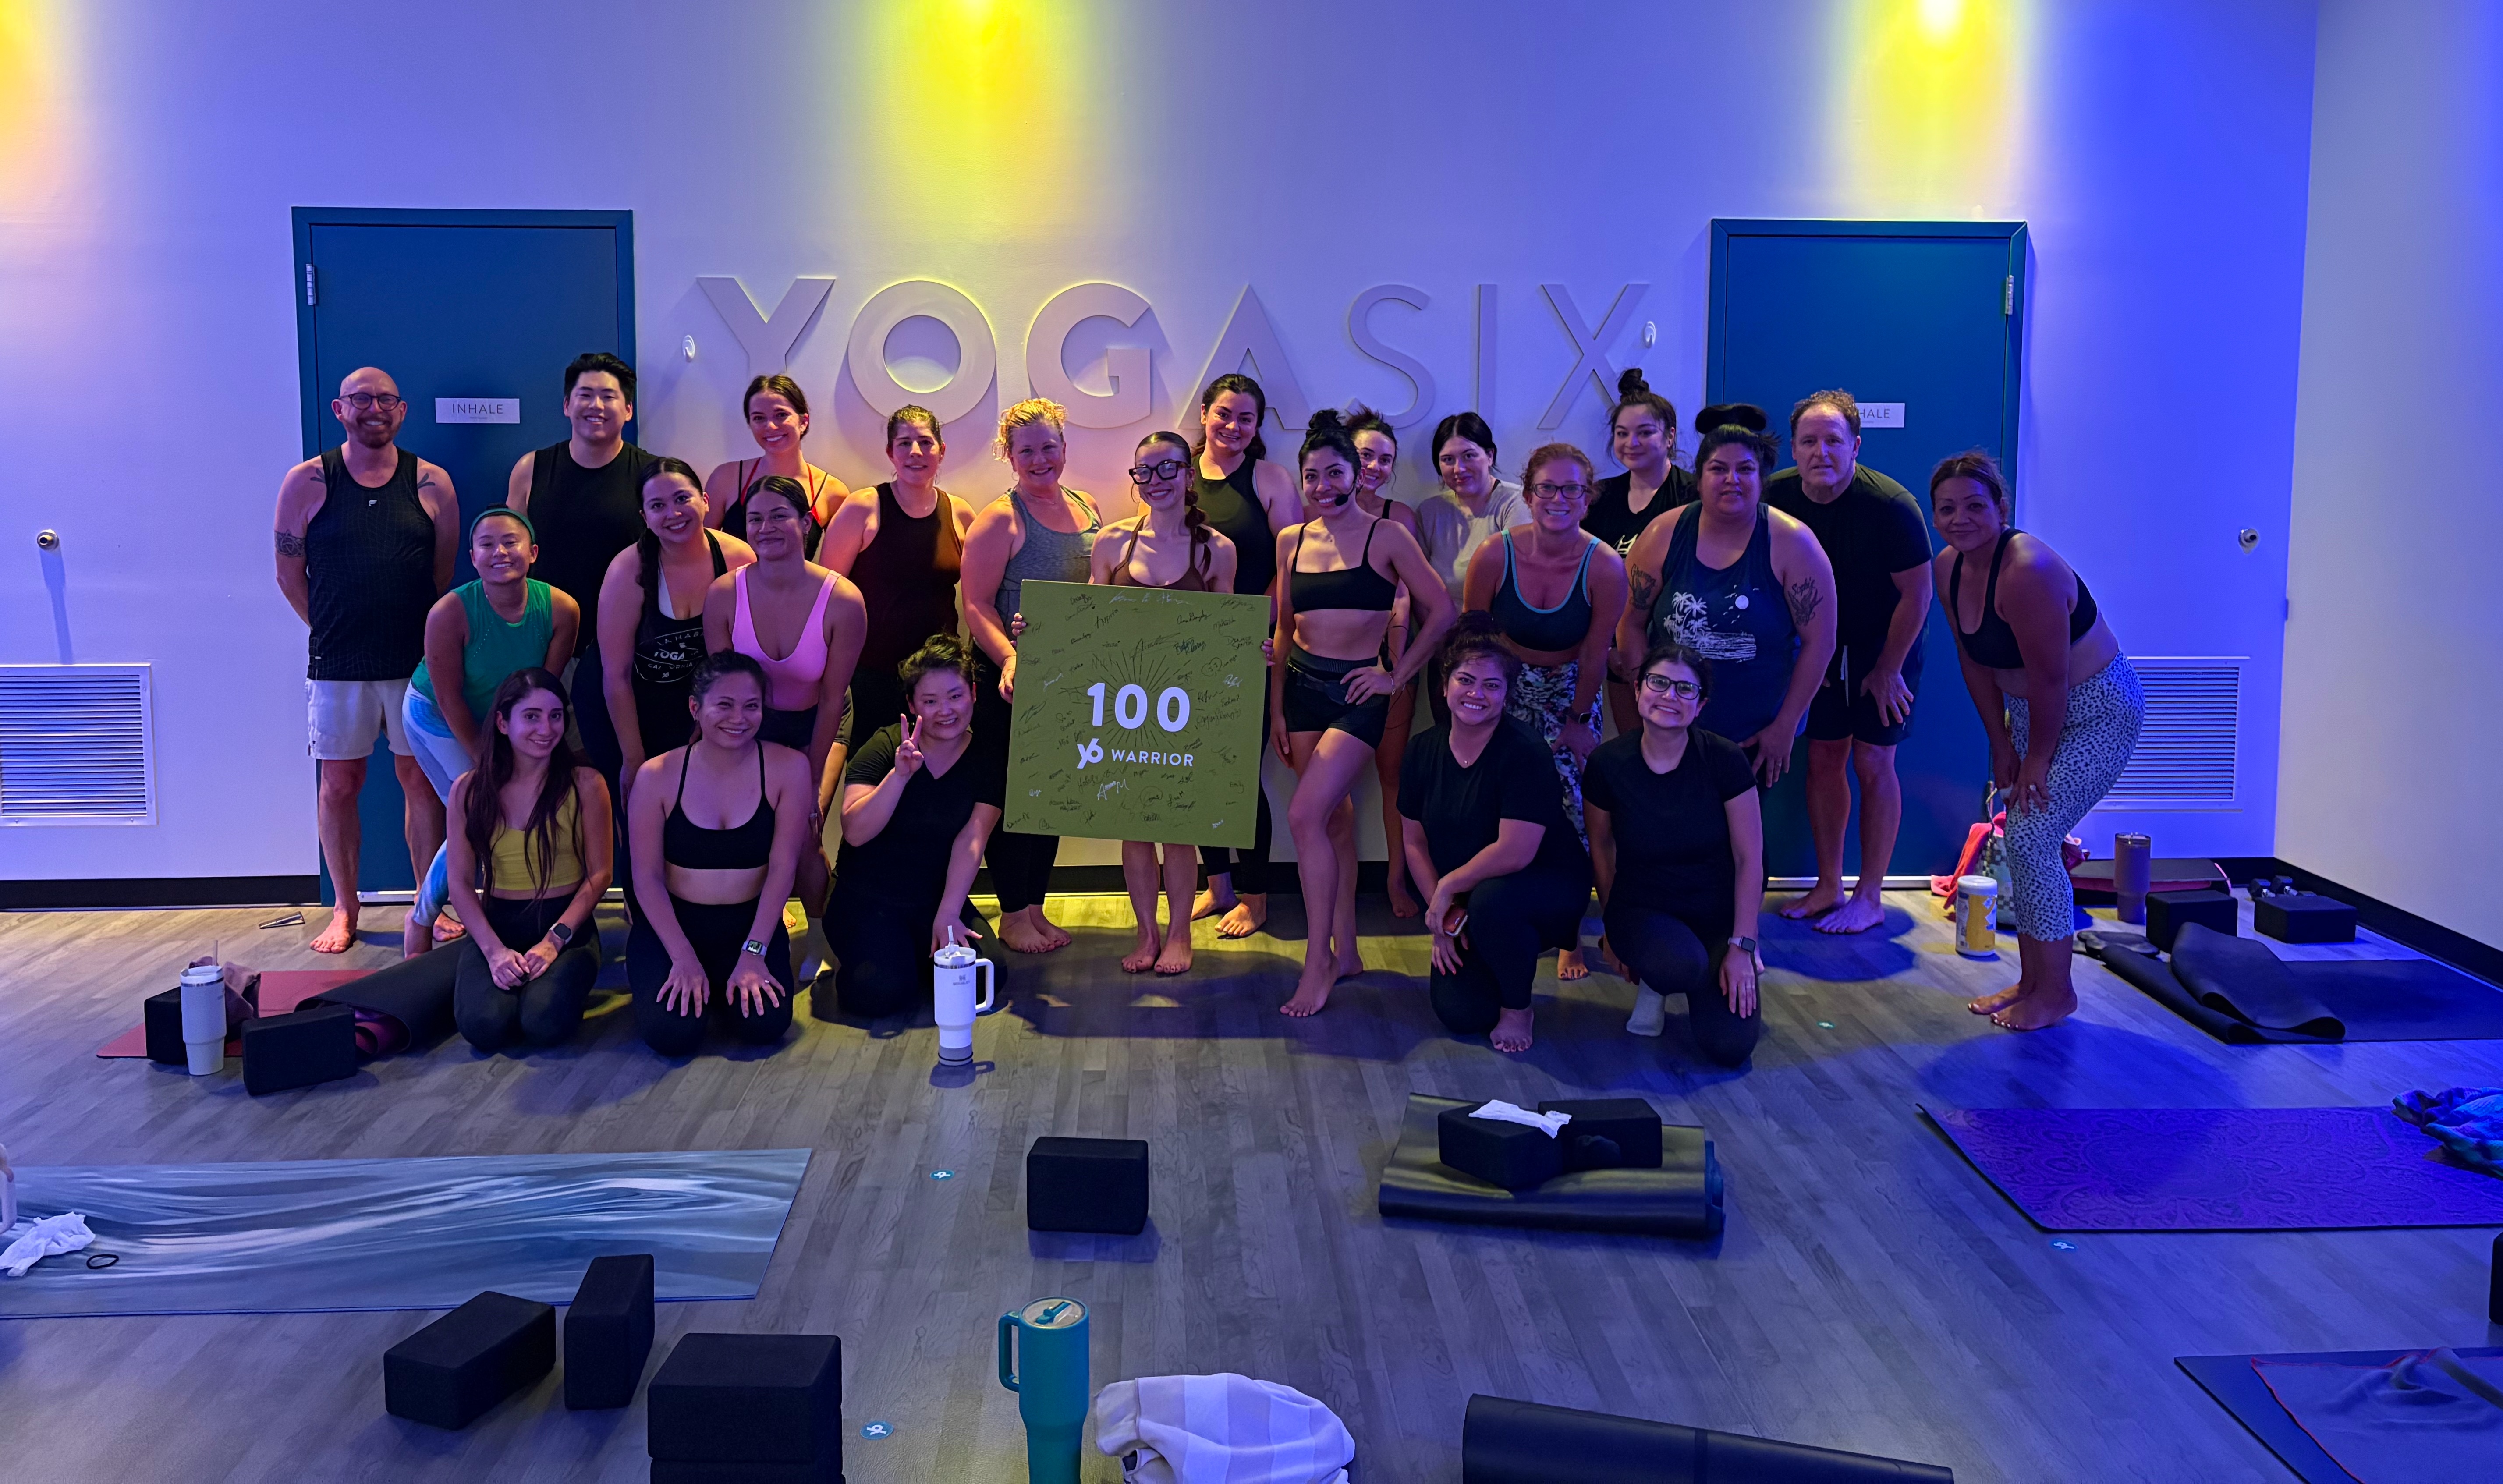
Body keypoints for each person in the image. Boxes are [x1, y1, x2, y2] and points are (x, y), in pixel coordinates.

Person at [1931, 453, 2141, 1031]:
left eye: (1975, 506)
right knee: (2024, 840)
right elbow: (1974, 661)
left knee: (2031, 837)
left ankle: (2056, 992)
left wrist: (2038, 761)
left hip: (2098, 711)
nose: (1960, 519)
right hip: (2030, 711)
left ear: (2002, 507)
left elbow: (2052, 678)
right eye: (1946, 509)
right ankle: (2032, 982)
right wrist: (2000, 744)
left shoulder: (2029, 569)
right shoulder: (1947, 568)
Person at [1272, 410, 1455, 1016]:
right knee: (1333, 821)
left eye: (1335, 473)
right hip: (1302, 689)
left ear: (1357, 475)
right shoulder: (1291, 540)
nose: (1323, 485)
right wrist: (1277, 709)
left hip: (1358, 696)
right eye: (1312, 476)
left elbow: (1442, 611)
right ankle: (1347, 949)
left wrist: (1394, 677)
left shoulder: (1388, 536)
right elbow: (1284, 629)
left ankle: (1318, 960)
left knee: (1304, 816)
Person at [273, 366, 460, 953]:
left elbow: (441, 572)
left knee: (420, 780)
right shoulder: (306, 481)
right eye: (361, 399)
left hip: (414, 661)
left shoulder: (432, 482)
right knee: (339, 783)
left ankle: (428, 903)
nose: (373, 409)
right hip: (338, 663)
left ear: (402, 411)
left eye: (385, 400)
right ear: (339, 409)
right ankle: (345, 907)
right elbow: (288, 574)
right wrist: (335, 629)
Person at [1766, 390, 1935, 935]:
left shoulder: (1892, 505)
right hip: (1814, 648)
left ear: (1855, 446)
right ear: (1794, 448)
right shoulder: (1773, 496)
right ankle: (1828, 886)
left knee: (1873, 761)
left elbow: (1918, 596)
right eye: (1809, 441)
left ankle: (1870, 896)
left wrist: (1888, 669)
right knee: (1823, 758)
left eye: (1834, 441)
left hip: (1884, 648)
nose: (1822, 452)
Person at [1462, 442, 1628, 981]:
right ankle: (1489, 917)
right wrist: (1479, 713)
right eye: (1547, 488)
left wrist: (1578, 723)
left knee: (1576, 814)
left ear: (1588, 497)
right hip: (1502, 690)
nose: (1559, 499)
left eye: (1572, 489)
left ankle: (1571, 934)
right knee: (1497, 807)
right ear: (1529, 495)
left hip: (1571, 693)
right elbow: (1474, 641)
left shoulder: (1605, 565)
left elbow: (1596, 652)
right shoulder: (1495, 554)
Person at [1397, 616, 1592, 1054]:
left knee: (1494, 903)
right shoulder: (1422, 750)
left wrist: (1449, 886)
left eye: (1491, 686)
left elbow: (1516, 852)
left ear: (1507, 694)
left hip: (1545, 882)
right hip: (1472, 892)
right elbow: (1414, 842)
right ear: (1445, 685)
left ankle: (1518, 1008)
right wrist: (1443, 918)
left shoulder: (1525, 750)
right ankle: (1496, 955)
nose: (1476, 694)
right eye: (1466, 681)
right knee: (1460, 1014)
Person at [1614, 413, 1837, 787]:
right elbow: (1630, 623)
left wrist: (1785, 725)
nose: (1732, 479)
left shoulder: (1795, 544)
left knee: (1742, 825)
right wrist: (1647, 703)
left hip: (1756, 738)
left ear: (1761, 479)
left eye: (1745, 469)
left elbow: (1821, 642)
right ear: (1700, 479)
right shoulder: (1661, 534)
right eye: (1718, 469)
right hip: (1670, 730)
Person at [1091, 430, 1238, 974]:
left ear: (1188, 473)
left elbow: (1226, 637)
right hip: (1124, 705)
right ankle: (1146, 933)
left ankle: (1180, 934)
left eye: (1167, 468)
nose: (1155, 481)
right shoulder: (1112, 542)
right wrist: (1037, 631)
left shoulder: (1217, 549)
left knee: (1178, 827)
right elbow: (1090, 626)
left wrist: (1255, 651)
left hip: (1187, 708)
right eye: (1144, 471)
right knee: (1134, 826)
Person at [401, 507, 580, 953]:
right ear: (473, 558)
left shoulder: (562, 609)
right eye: (487, 545)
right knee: (478, 806)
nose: (500, 552)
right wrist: (487, 763)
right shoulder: (449, 613)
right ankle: (421, 917)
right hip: (437, 716)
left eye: (510, 542)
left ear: (532, 552)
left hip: (506, 720)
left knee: (507, 799)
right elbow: (449, 699)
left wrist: (518, 748)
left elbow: (541, 695)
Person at [960, 398, 1102, 955]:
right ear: (1009, 456)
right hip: (1010, 682)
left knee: (1050, 797)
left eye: (1049, 447)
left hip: (1068, 680)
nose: (1040, 460)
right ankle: (1013, 914)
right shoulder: (1001, 518)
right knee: (1008, 800)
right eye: (1027, 451)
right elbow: (976, 606)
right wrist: (1010, 659)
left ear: (1064, 448)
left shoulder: (1088, 507)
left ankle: (1036, 908)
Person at [586, 459, 754, 917]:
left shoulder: (737, 558)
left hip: (697, 704)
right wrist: (633, 757)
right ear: (645, 517)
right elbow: (615, 673)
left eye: (683, 499)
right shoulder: (628, 570)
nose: (674, 513)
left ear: (705, 500)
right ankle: (643, 912)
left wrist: (714, 721)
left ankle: (703, 905)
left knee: (698, 802)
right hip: (624, 702)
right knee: (638, 803)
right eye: (658, 506)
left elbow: (739, 656)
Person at [624, 652, 813, 1055]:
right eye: (724, 705)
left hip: (748, 924)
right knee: (673, 1034)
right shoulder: (656, 775)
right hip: (674, 925)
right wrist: (682, 956)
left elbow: (783, 868)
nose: (739, 718)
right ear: (696, 708)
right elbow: (646, 878)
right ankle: (696, 982)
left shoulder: (790, 768)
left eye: (751, 706)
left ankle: (722, 986)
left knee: (765, 1025)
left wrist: (755, 952)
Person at [1584, 644, 1765, 1065]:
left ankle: (1712, 967)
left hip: (1714, 912)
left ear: (1701, 705)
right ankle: (1657, 983)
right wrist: (1612, 927)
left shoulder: (1724, 759)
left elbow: (1750, 858)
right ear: (1637, 689)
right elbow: (1602, 849)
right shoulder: (1607, 763)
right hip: (1643, 909)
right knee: (1680, 964)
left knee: (1730, 1047)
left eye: (1685, 689)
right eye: (1659, 682)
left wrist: (1742, 946)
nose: (1670, 696)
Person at [703, 475, 865, 920]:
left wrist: (811, 781)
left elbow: (832, 698)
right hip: (751, 727)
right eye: (755, 519)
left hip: (819, 721)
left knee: (803, 832)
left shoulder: (843, 600)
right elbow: (723, 691)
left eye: (779, 516)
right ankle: (764, 921)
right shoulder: (724, 594)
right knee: (753, 830)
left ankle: (822, 934)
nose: (766, 528)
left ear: (806, 523)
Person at [826, 637, 1005, 1017]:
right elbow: (855, 831)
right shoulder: (884, 745)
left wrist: (949, 912)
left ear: (974, 694)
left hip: (934, 899)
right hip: (868, 899)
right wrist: (900, 777)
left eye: (956, 696)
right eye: (931, 701)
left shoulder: (986, 757)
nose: (946, 711)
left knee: (984, 977)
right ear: (912, 704)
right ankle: (884, 960)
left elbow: (972, 839)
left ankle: (911, 961)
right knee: (878, 993)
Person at [1185, 373, 1302, 939]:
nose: (1233, 426)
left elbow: (1293, 564)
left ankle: (1256, 896)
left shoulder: (1270, 479)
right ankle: (1219, 885)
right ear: (1204, 414)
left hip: (1251, 648)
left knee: (1236, 773)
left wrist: (1250, 622)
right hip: (1184, 653)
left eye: (1246, 418)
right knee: (1194, 768)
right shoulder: (1178, 475)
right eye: (1224, 414)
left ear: (1258, 425)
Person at [443, 669, 613, 1053]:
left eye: (556, 716)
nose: (546, 728)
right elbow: (459, 883)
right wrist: (493, 952)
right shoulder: (468, 790)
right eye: (532, 716)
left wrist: (555, 941)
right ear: (503, 723)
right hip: (498, 925)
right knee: (484, 1025)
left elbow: (601, 874)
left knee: (543, 1020)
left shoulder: (587, 783)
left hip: (566, 926)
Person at [818, 405, 974, 748]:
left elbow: (980, 594)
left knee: (933, 771)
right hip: (871, 674)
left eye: (925, 442)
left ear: (941, 451)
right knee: (870, 771)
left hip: (938, 680)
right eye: (904, 443)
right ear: (891, 452)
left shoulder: (960, 513)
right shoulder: (863, 507)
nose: (915, 451)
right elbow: (827, 597)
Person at [1345, 405, 1429, 918]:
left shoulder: (1401, 517)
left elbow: (1406, 595)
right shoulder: (1313, 512)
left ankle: (1397, 880)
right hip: (1329, 662)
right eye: (1365, 456)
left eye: (1385, 459)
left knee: (1392, 775)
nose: (1374, 467)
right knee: (1333, 782)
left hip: (1390, 661)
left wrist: (1394, 670)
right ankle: (1337, 883)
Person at [1584, 370, 1695, 733]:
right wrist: (1606, 648)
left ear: (1670, 436)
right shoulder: (1599, 498)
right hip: (1617, 652)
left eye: (1645, 432)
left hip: (1680, 653)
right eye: (1622, 434)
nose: (1632, 442)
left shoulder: (1693, 495)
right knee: (1635, 746)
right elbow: (1585, 577)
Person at [507, 351, 653, 622]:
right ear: (567, 405)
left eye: (608, 397)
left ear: (628, 410)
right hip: (547, 626)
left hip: (631, 626)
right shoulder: (531, 468)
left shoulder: (652, 475)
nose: (596, 406)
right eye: (585, 395)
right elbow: (513, 553)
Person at [1416, 412, 1529, 725]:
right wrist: (1445, 646)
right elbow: (1419, 591)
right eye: (1448, 460)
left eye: (1469, 456)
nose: (1459, 468)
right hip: (1447, 654)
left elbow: (1516, 584)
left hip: (1503, 657)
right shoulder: (1430, 512)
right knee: (1450, 741)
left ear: (1490, 455)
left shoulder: (1515, 504)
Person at [706, 374, 849, 558]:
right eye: (759, 418)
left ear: (803, 422)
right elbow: (704, 552)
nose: (771, 426)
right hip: (734, 579)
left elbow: (835, 568)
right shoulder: (726, 478)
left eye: (781, 415)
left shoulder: (832, 492)